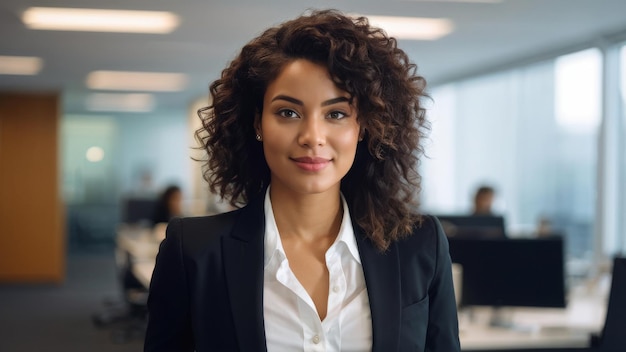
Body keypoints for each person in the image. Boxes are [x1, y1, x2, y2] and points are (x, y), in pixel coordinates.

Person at [145, 9, 460, 352]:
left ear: (364, 127)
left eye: (336, 114)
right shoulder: (193, 251)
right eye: (288, 112)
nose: (312, 136)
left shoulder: (419, 245)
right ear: (257, 124)